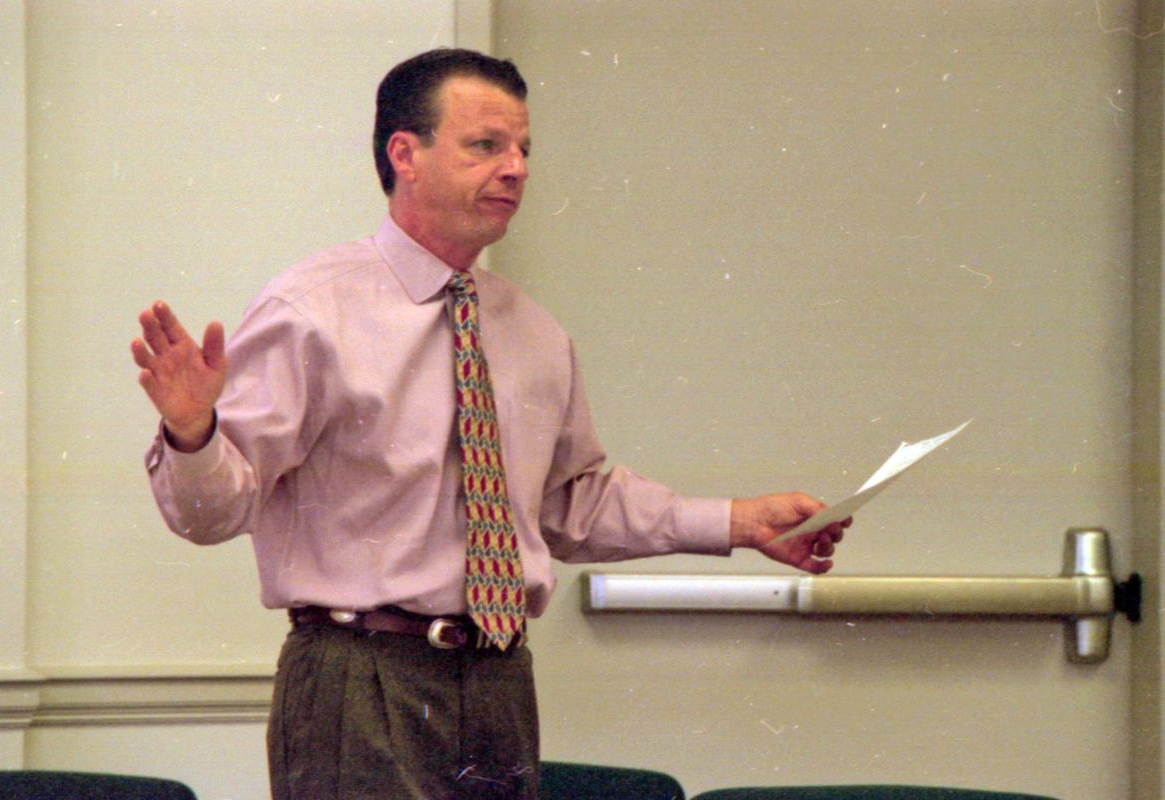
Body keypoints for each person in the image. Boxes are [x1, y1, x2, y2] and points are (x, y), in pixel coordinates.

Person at [131, 48, 849, 800]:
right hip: (361, 676)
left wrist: (739, 520)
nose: (516, 168)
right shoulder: (312, 310)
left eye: (524, 149)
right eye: (486, 146)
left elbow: (572, 504)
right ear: (405, 154)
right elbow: (212, 516)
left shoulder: (532, 333)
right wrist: (194, 434)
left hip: (501, 677)